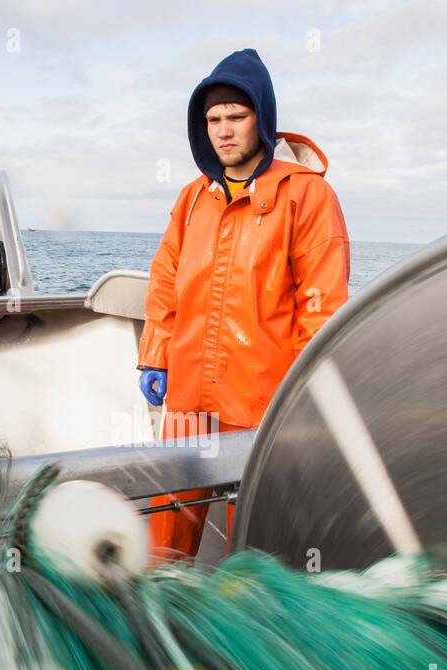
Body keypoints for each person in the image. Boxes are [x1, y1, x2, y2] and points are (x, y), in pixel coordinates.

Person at [137, 48, 350, 564]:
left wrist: (299, 397)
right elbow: (166, 280)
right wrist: (154, 354)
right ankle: (161, 627)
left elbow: (320, 306)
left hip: (260, 406)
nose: (224, 130)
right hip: (187, 400)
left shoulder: (308, 196)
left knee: (252, 550)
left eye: (237, 115)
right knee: (164, 547)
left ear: (264, 119)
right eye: (213, 119)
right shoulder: (191, 199)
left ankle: (240, 632)